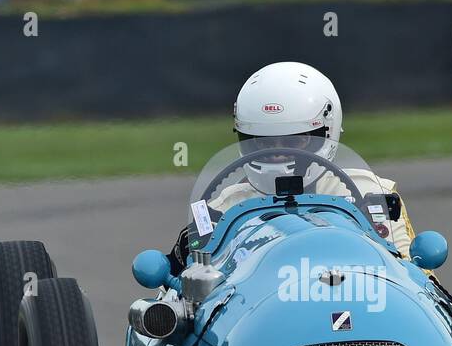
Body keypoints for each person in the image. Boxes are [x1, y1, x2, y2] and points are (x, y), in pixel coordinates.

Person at [169, 62, 418, 274]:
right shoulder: (221, 209)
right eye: (263, 142)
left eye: (292, 141)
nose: (277, 152)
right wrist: (182, 257)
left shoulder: (372, 194)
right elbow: (188, 299)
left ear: (326, 131)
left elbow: (409, 279)